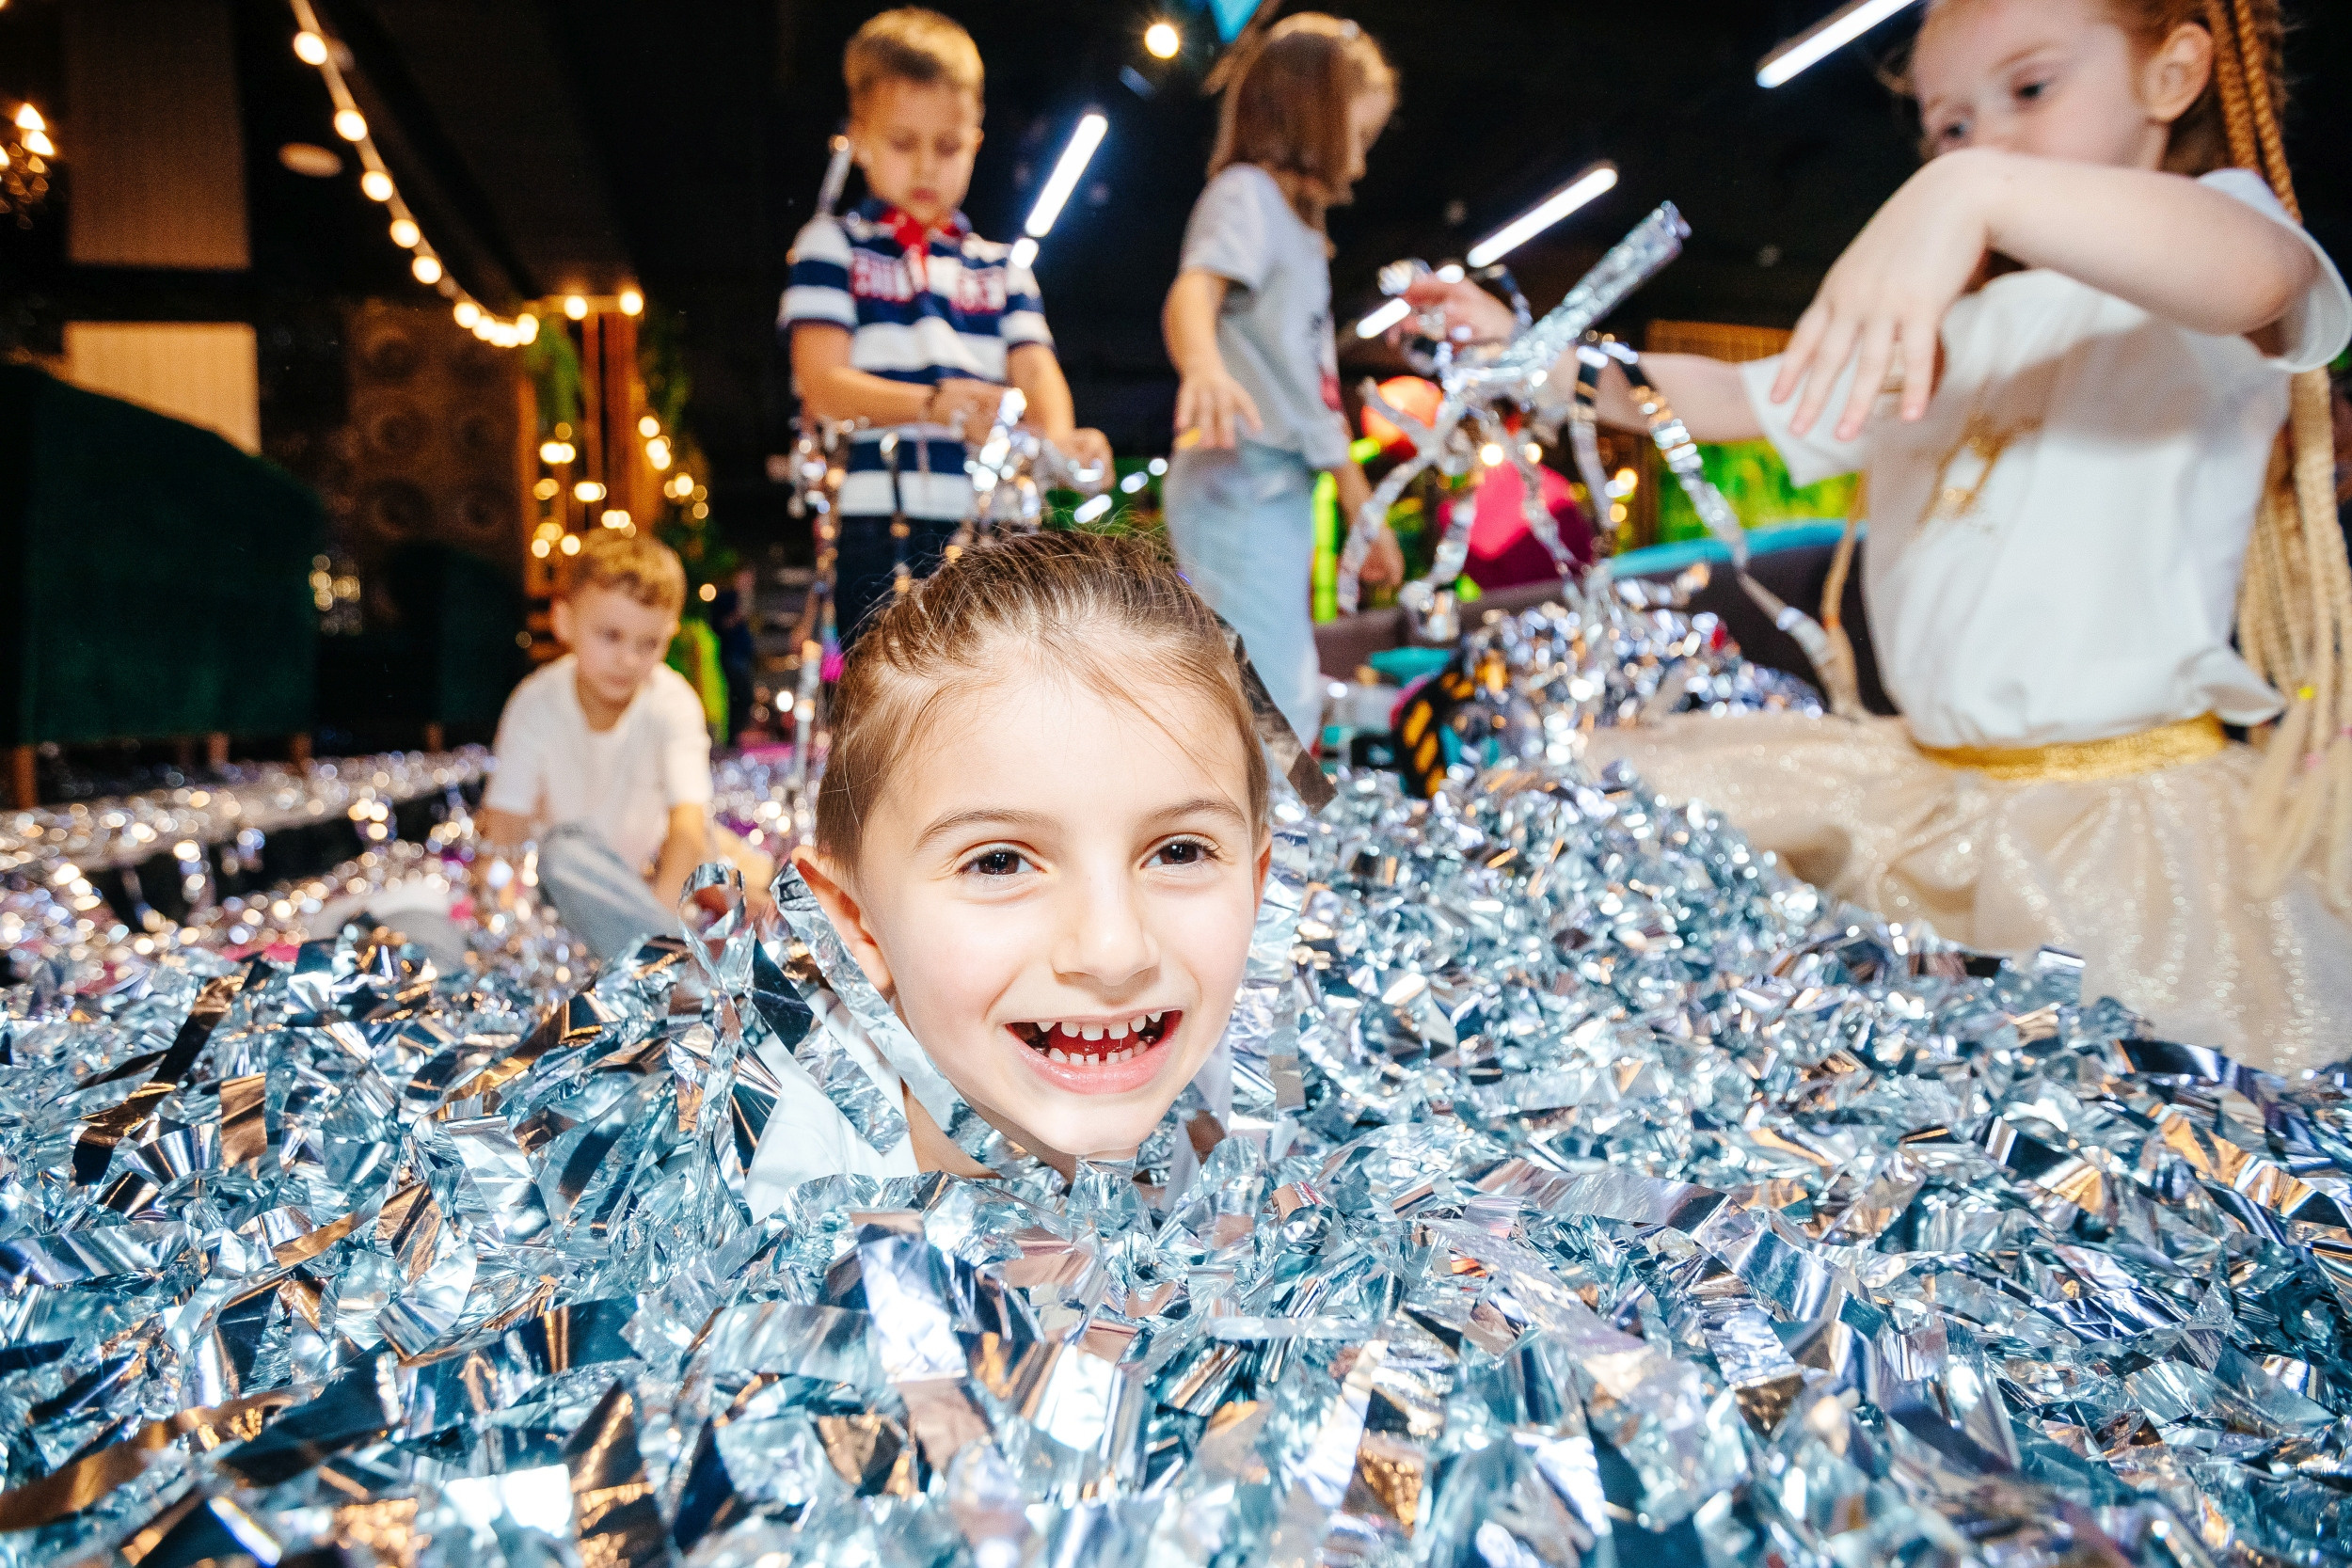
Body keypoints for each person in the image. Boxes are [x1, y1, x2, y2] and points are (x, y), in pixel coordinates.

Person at [1409, 0, 2352, 1070]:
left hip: (2124, 828)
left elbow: (2261, 275)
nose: (1983, 140)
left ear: (2172, 74)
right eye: (1948, 128)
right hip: (1932, 785)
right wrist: (1534, 360)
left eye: (2030, 89)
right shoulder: (1951, 331)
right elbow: (1726, 394)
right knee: (1613, 807)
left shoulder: (2212, 250)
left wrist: (1969, 184)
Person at [744, 531, 1270, 1206]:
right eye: (999, 862)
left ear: (1257, 888)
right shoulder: (780, 1198)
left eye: (1180, 851)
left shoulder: (1251, 1119)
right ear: (854, 924)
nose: (1114, 952)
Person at [782, 8, 1111, 645]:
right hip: (880, 519)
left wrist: (1063, 441)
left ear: (977, 143)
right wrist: (937, 406)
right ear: (860, 137)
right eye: (904, 144)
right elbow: (820, 382)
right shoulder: (834, 246)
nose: (928, 167)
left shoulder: (1003, 268)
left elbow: (1037, 373)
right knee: (892, 710)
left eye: (949, 146)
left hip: (999, 525)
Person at [1161, 12, 1405, 747]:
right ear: (1314, 117)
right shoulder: (1247, 198)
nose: (1359, 166)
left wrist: (1367, 514)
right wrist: (1202, 364)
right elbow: (1191, 293)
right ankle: (1274, 840)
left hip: (1279, 484)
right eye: (1356, 138)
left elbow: (1316, 401)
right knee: (1264, 684)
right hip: (1239, 479)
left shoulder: (1299, 233)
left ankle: (1277, 834)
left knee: (1279, 675)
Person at [480, 531, 768, 960]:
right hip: (571, 887)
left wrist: (656, 917)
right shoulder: (535, 702)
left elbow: (687, 826)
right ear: (564, 622)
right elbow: (504, 827)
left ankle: (657, 955)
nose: (627, 659)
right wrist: (502, 919)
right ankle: (661, 958)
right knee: (562, 853)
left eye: (647, 644)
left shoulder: (672, 702)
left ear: (668, 636)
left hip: (654, 879)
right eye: (610, 636)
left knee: (739, 886)